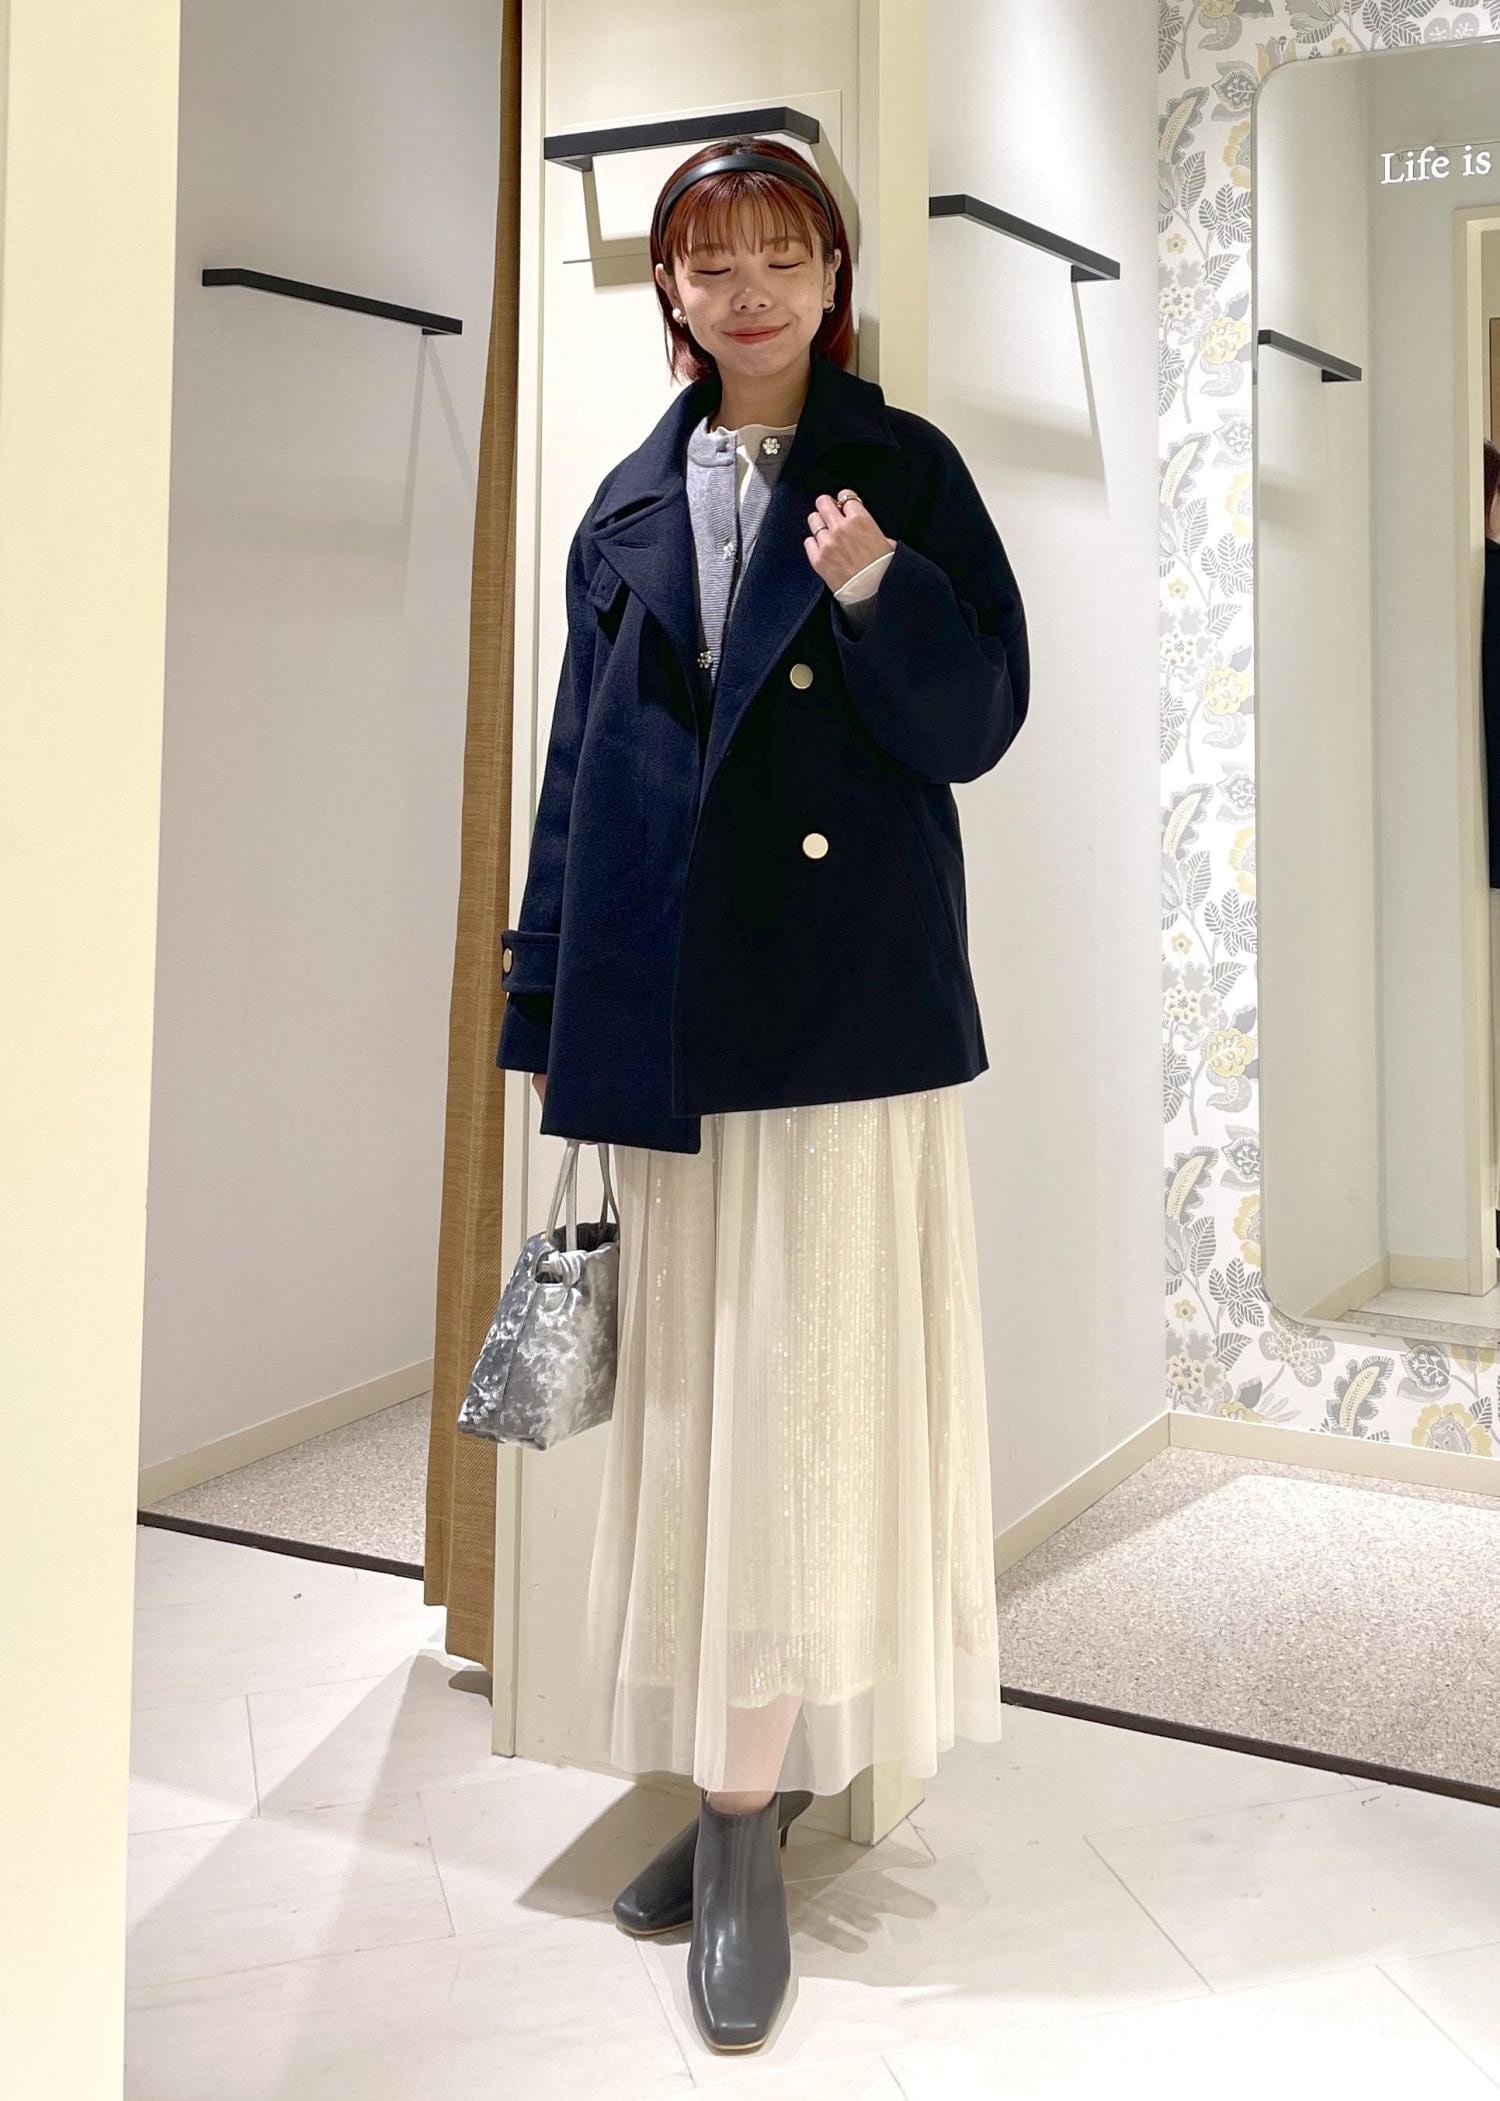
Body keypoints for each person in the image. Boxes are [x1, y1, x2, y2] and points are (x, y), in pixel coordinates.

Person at [494, 136, 1029, 2054]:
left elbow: (977, 722)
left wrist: (880, 590)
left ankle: (739, 1828)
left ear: (832, 274)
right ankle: (744, 1792)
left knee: (803, 1406)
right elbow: (577, 772)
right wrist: (546, 1005)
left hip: (841, 1021)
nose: (750, 292)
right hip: (669, 1015)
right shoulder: (630, 500)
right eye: (711, 262)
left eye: (782, 254)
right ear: (670, 290)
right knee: (703, 1416)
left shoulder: (907, 471)